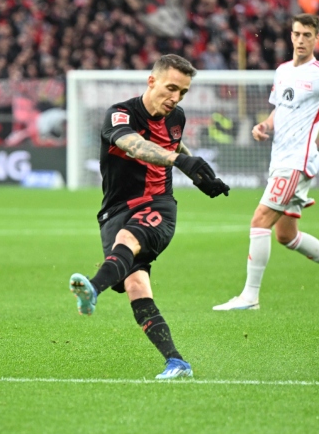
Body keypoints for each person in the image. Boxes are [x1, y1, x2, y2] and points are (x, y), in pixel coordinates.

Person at [68, 55, 230, 380]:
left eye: (182, 92)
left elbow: (174, 142)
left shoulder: (177, 117)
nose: (175, 99)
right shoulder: (120, 114)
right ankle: (177, 362)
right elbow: (137, 146)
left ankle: (93, 290)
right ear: (151, 81)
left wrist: (201, 176)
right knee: (137, 286)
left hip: (158, 206)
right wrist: (182, 161)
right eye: (171, 88)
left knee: (128, 241)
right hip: (116, 210)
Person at [213, 14, 319, 312]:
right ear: (290, 36)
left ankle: (250, 297)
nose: (300, 40)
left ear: (316, 38)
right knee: (286, 235)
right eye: (296, 34)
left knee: (259, 220)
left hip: (296, 162)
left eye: (307, 35)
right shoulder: (282, 71)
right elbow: (277, 113)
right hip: (280, 159)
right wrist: (264, 127)